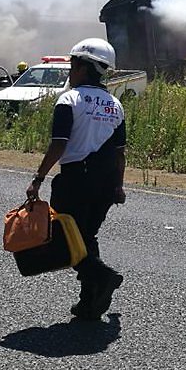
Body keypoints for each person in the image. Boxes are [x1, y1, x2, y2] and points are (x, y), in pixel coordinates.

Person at [26, 38, 127, 320]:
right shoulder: (115, 105)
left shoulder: (69, 99)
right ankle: (89, 303)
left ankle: (102, 275)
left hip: (76, 180)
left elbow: (59, 144)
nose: (70, 72)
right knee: (86, 236)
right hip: (106, 182)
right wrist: (118, 186)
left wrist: (38, 178)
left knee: (65, 238)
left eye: (72, 65)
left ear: (83, 68)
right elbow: (120, 153)